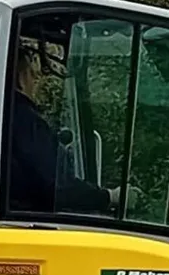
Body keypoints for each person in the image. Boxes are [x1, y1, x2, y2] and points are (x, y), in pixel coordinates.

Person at [8, 39, 120, 216]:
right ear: (22, 77)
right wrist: (110, 197)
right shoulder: (24, 122)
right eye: (34, 74)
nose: (38, 81)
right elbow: (57, 188)